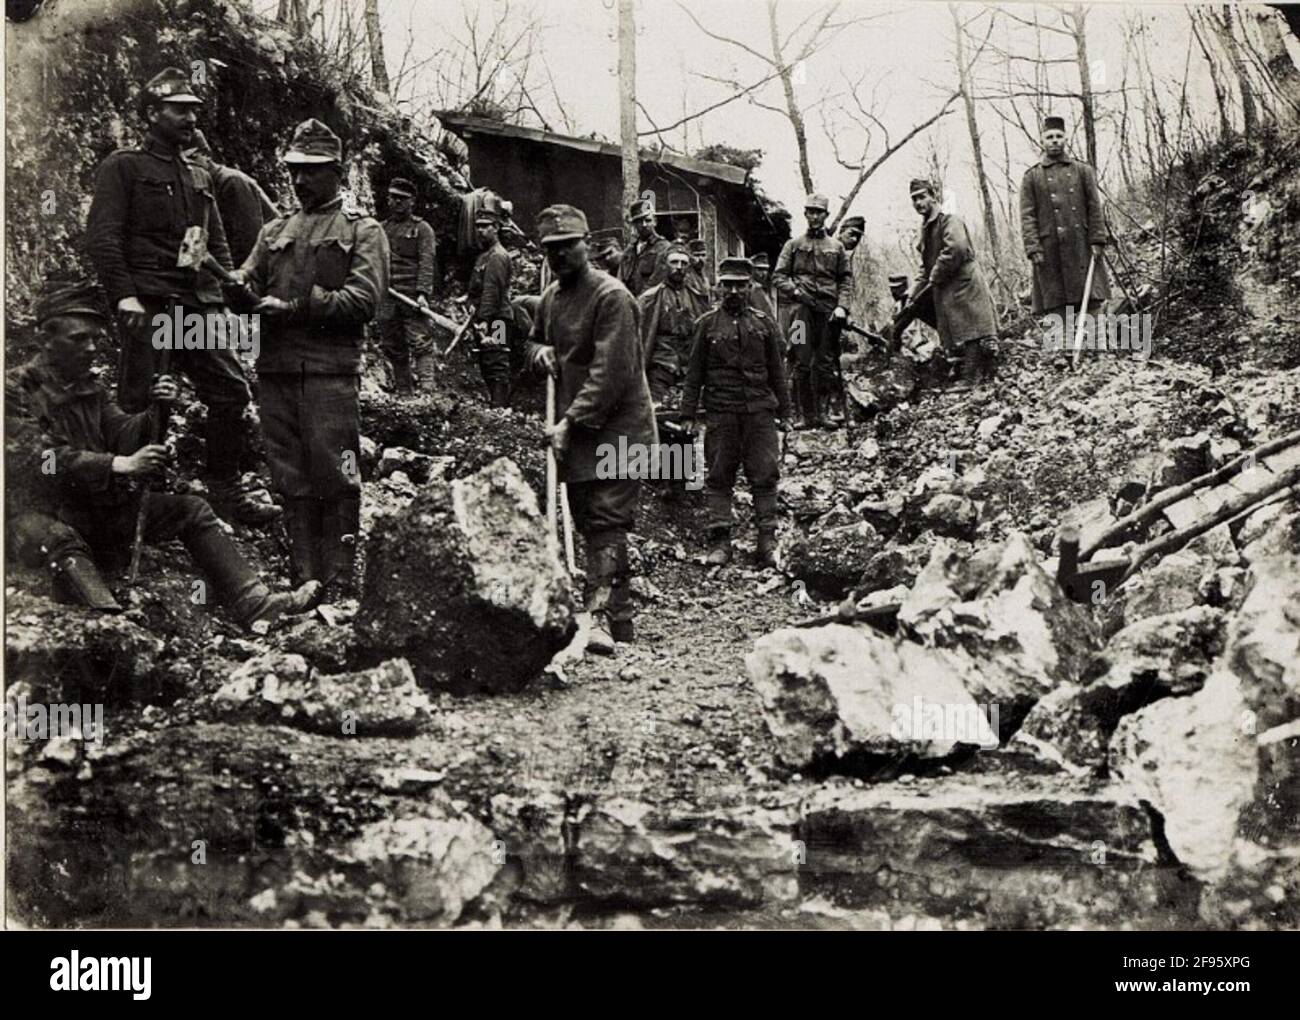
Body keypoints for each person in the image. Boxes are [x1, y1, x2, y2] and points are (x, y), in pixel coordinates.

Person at [5, 280, 317, 628]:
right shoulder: (15, 389)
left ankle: (255, 604)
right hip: (34, 516)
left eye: (94, 338)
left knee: (192, 509)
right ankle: (111, 622)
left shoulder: (88, 386)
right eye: (79, 339)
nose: (92, 348)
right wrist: (119, 465)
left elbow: (122, 433)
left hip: (91, 510)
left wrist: (157, 411)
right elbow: (38, 461)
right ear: (45, 341)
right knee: (59, 539)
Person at [84, 67, 277, 527]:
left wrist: (230, 288)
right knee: (143, 402)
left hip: (195, 305)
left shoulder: (198, 173)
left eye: (194, 111)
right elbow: (103, 237)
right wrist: (124, 297)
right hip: (150, 305)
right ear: (152, 114)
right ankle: (129, 499)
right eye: (180, 111)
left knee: (230, 391)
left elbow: (214, 241)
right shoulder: (123, 167)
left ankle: (224, 489)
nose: (191, 119)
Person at [231, 118, 389, 602]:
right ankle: (305, 583)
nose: (300, 180)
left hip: (328, 374)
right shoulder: (274, 229)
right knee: (290, 478)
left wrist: (298, 307)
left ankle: (340, 584)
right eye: (294, 170)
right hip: (276, 371)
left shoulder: (363, 230)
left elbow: (365, 302)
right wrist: (237, 287)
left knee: (336, 475)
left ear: (337, 172)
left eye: (312, 171)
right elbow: (249, 282)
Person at [525, 204, 656, 655]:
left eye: (567, 247)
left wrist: (570, 421)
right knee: (588, 521)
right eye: (550, 250)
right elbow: (536, 339)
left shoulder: (612, 296)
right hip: (576, 431)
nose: (559, 257)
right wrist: (538, 352)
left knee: (607, 521)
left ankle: (598, 618)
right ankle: (620, 628)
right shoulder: (550, 299)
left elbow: (611, 372)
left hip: (620, 430)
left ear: (587, 245)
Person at [680, 258, 791, 569]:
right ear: (719, 287)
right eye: (727, 284)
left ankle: (766, 541)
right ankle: (720, 542)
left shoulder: (764, 324)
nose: (733, 290)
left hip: (759, 411)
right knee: (718, 475)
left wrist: (786, 412)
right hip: (721, 411)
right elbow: (694, 374)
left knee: (765, 473)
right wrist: (688, 413)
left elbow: (777, 372)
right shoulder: (706, 325)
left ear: (749, 286)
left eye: (740, 285)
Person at [906, 178, 999, 385]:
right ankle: (963, 370)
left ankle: (971, 377)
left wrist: (935, 275)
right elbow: (925, 264)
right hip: (948, 284)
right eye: (914, 199)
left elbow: (955, 250)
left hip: (962, 281)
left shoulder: (948, 219)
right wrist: (912, 292)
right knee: (955, 330)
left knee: (971, 329)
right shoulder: (926, 228)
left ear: (933, 196)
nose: (919, 203)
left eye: (922, 197)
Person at [1019, 114, 1109, 323]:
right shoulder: (1032, 176)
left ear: (1066, 139)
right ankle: (1064, 349)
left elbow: (1094, 207)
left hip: (1081, 245)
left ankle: (1095, 347)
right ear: (1042, 141)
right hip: (1050, 249)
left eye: (1059, 136)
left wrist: (1097, 240)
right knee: (1056, 301)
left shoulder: (1083, 170)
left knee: (1091, 297)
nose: (1055, 141)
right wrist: (1033, 248)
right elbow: (1027, 216)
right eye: (1049, 137)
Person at [772, 193, 852, 428]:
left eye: (819, 212)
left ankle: (823, 413)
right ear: (805, 214)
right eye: (811, 212)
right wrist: (796, 293)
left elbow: (846, 280)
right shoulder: (793, 245)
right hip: (800, 312)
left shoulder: (836, 248)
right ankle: (803, 415)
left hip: (828, 311)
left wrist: (842, 307)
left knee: (825, 362)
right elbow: (778, 276)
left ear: (826, 216)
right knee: (800, 360)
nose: (815, 216)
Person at [183, 128, 280, 266]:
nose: (188, 167)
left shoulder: (231, 182)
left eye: (191, 159)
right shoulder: (197, 187)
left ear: (206, 155)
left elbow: (249, 241)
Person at [378, 176, 437, 394]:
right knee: (393, 345)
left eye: (401, 199)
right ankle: (404, 391)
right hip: (387, 296)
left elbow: (427, 262)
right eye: (392, 198)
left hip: (411, 296)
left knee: (420, 342)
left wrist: (422, 293)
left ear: (412, 201)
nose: (396, 203)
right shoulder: (381, 229)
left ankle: (428, 391)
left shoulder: (422, 229)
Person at [637, 243, 709, 408]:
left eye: (684, 263)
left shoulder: (697, 297)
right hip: (660, 369)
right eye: (674, 262)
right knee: (656, 412)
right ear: (664, 265)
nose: (679, 267)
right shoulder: (649, 299)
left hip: (689, 370)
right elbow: (640, 337)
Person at [468, 193, 515, 407]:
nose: (480, 230)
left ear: (496, 228)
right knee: (488, 359)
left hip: (498, 318)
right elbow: (478, 288)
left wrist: (484, 319)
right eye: (477, 226)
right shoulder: (484, 256)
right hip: (487, 316)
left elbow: (491, 291)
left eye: (485, 226)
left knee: (497, 360)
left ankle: (500, 407)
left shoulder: (497, 256)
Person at [618, 199, 671, 297]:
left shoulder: (663, 248)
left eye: (648, 220)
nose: (644, 225)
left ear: (655, 221)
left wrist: (638, 302)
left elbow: (656, 282)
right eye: (639, 221)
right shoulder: (629, 251)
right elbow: (620, 280)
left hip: (651, 304)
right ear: (634, 224)